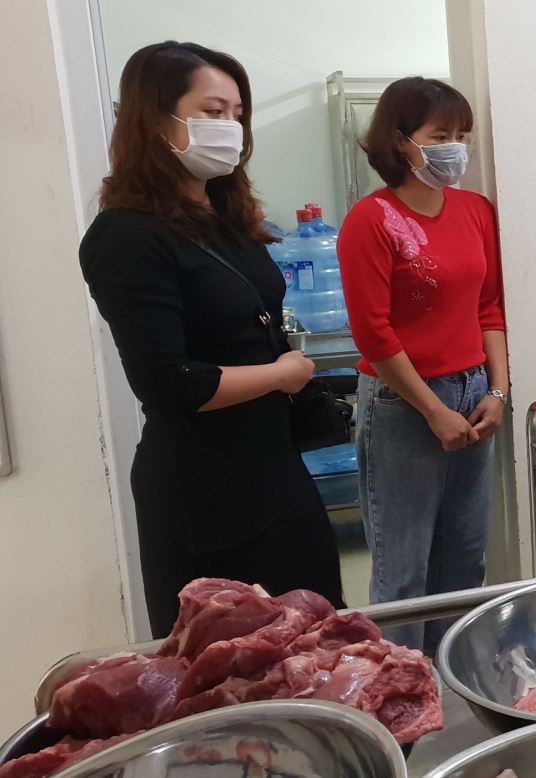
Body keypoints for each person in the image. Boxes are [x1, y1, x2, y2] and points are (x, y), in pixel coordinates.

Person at [80, 41, 345, 634]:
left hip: (274, 466)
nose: (230, 128)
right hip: (205, 490)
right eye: (211, 112)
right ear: (155, 120)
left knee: (317, 640)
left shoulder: (225, 220)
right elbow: (167, 382)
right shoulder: (126, 236)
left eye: (237, 114)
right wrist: (281, 374)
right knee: (231, 664)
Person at [337, 77, 508, 652]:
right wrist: (433, 410)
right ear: (400, 141)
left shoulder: (476, 211)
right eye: (440, 135)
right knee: (403, 570)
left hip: (474, 392)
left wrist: (498, 392)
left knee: (464, 558)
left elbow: (489, 307)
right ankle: (402, 692)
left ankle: (453, 685)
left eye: (462, 135)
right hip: (403, 404)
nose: (455, 147)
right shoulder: (372, 219)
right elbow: (373, 334)